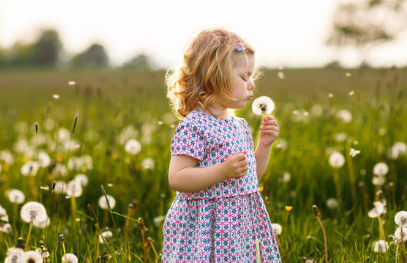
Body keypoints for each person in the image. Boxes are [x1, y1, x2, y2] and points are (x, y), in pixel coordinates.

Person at [162, 28, 281, 262]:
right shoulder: (195, 125)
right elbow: (177, 178)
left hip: (237, 227)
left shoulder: (240, 126)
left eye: (251, 77)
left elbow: (249, 178)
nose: (251, 85)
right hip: (203, 229)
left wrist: (264, 146)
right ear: (215, 76)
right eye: (244, 77)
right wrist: (222, 171)